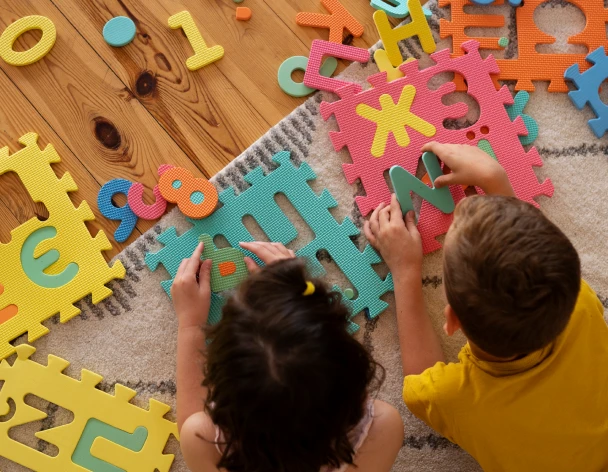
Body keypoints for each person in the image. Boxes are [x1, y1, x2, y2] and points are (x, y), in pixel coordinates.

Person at [364, 142, 608, 471]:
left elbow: (421, 380)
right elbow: (536, 257)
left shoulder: (455, 398)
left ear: (452, 320)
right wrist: (497, 181)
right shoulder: (580, 300)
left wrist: (405, 270)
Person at [171, 241, 404, 472]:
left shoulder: (207, 441)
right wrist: (296, 292)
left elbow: (191, 427)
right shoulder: (383, 429)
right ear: (352, 371)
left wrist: (191, 325)